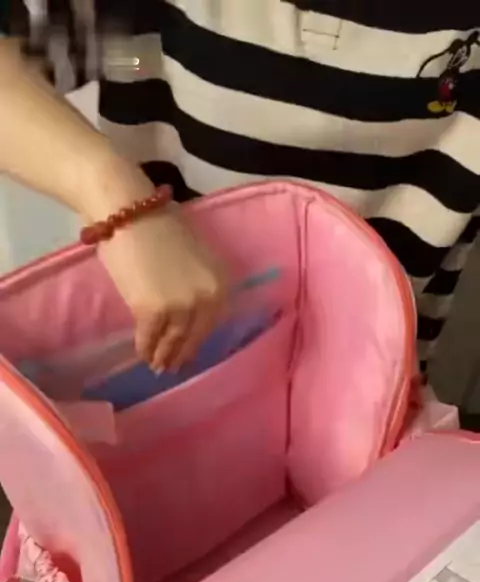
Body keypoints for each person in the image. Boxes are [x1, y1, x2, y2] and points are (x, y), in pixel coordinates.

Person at [0, 2, 478, 375]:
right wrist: (113, 194)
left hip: (372, 395)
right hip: (140, 373)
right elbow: (123, 58)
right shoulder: (147, 34)